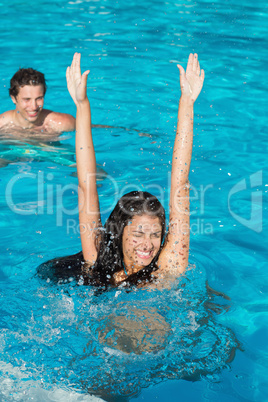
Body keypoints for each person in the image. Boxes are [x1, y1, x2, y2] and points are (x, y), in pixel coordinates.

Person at [37, 52, 204, 288]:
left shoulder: (167, 268)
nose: (147, 245)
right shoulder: (97, 258)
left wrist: (187, 101)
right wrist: (81, 104)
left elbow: (181, 184)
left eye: (155, 235)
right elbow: (86, 185)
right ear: (118, 232)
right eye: (138, 234)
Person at [0, 67, 76, 134]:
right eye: (27, 99)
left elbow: (85, 133)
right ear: (13, 98)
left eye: (39, 98)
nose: (34, 107)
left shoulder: (60, 123)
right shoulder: (2, 126)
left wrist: (81, 102)